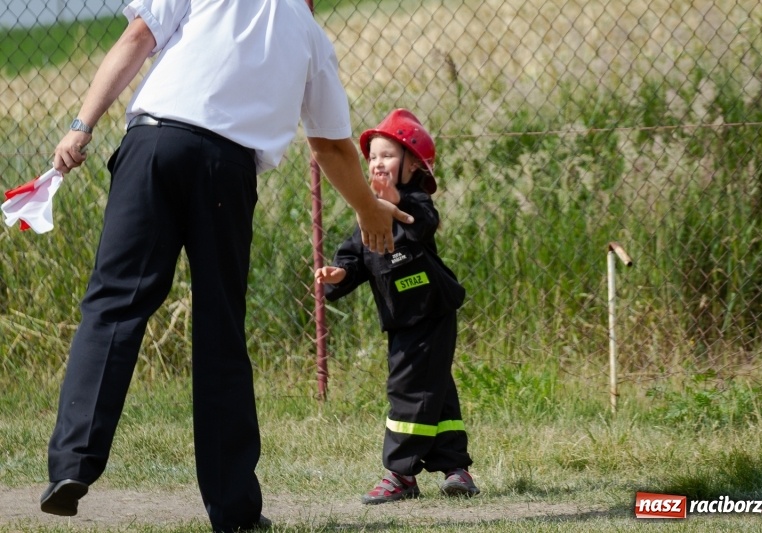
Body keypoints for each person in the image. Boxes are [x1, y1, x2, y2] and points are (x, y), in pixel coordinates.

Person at [40, 1, 412, 531]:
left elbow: (136, 39)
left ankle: (72, 466)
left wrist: (82, 125)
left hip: (153, 146)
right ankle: (234, 511)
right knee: (220, 333)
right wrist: (366, 207)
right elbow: (331, 145)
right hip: (225, 168)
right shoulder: (310, 37)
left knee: (113, 306)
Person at [315, 109, 480, 504]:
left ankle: (400, 473)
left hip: (432, 311)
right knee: (434, 389)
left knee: (408, 388)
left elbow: (423, 222)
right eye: (372, 157)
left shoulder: (416, 203)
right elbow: (355, 255)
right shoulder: (366, 215)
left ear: (413, 165)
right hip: (402, 320)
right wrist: (340, 273)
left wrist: (395, 201)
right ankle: (456, 468)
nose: (377, 163)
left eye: (387, 155)